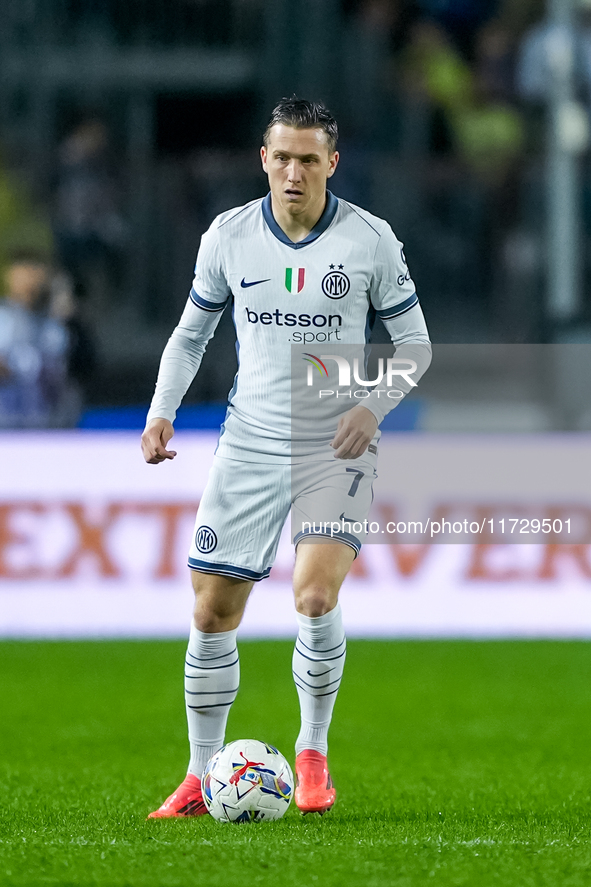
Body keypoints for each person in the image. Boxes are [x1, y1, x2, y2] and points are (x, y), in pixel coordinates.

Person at [141, 97, 431, 817]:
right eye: (282, 156)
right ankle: (200, 773)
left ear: (332, 162)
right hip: (249, 438)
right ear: (262, 159)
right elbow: (189, 334)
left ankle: (311, 752)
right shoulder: (230, 235)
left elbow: (415, 347)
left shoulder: (369, 240)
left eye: (309, 158)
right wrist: (161, 410)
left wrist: (371, 407)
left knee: (312, 594)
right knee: (210, 611)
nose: (294, 170)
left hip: (335, 437)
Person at [0, 253, 69, 428]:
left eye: (35, 271)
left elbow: (59, 384)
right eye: (23, 271)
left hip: (42, 428)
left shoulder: (53, 328)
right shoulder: (3, 319)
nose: (29, 279)